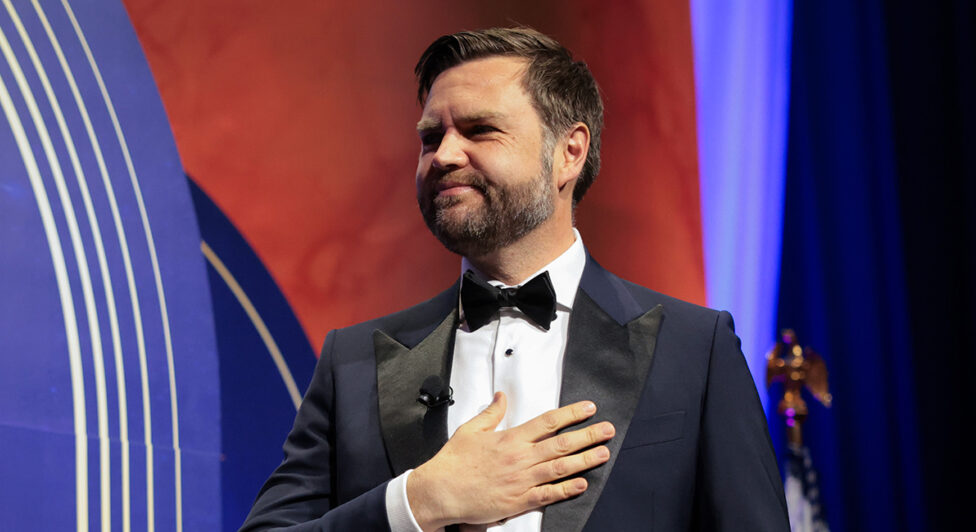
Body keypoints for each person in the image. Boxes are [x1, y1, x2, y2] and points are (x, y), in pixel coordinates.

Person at [240, 27, 789, 532]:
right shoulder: (352, 360)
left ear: (568, 153)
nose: (445, 155)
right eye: (431, 138)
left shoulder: (695, 349)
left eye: (480, 129)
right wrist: (418, 500)